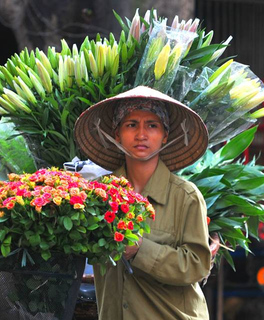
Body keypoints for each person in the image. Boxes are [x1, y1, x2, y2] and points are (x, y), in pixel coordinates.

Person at [73, 85, 212, 319]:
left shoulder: (185, 197)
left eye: (152, 125)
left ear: (165, 136)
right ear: (117, 134)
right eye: (131, 125)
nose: (141, 135)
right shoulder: (98, 195)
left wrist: (140, 250)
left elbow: (197, 265)